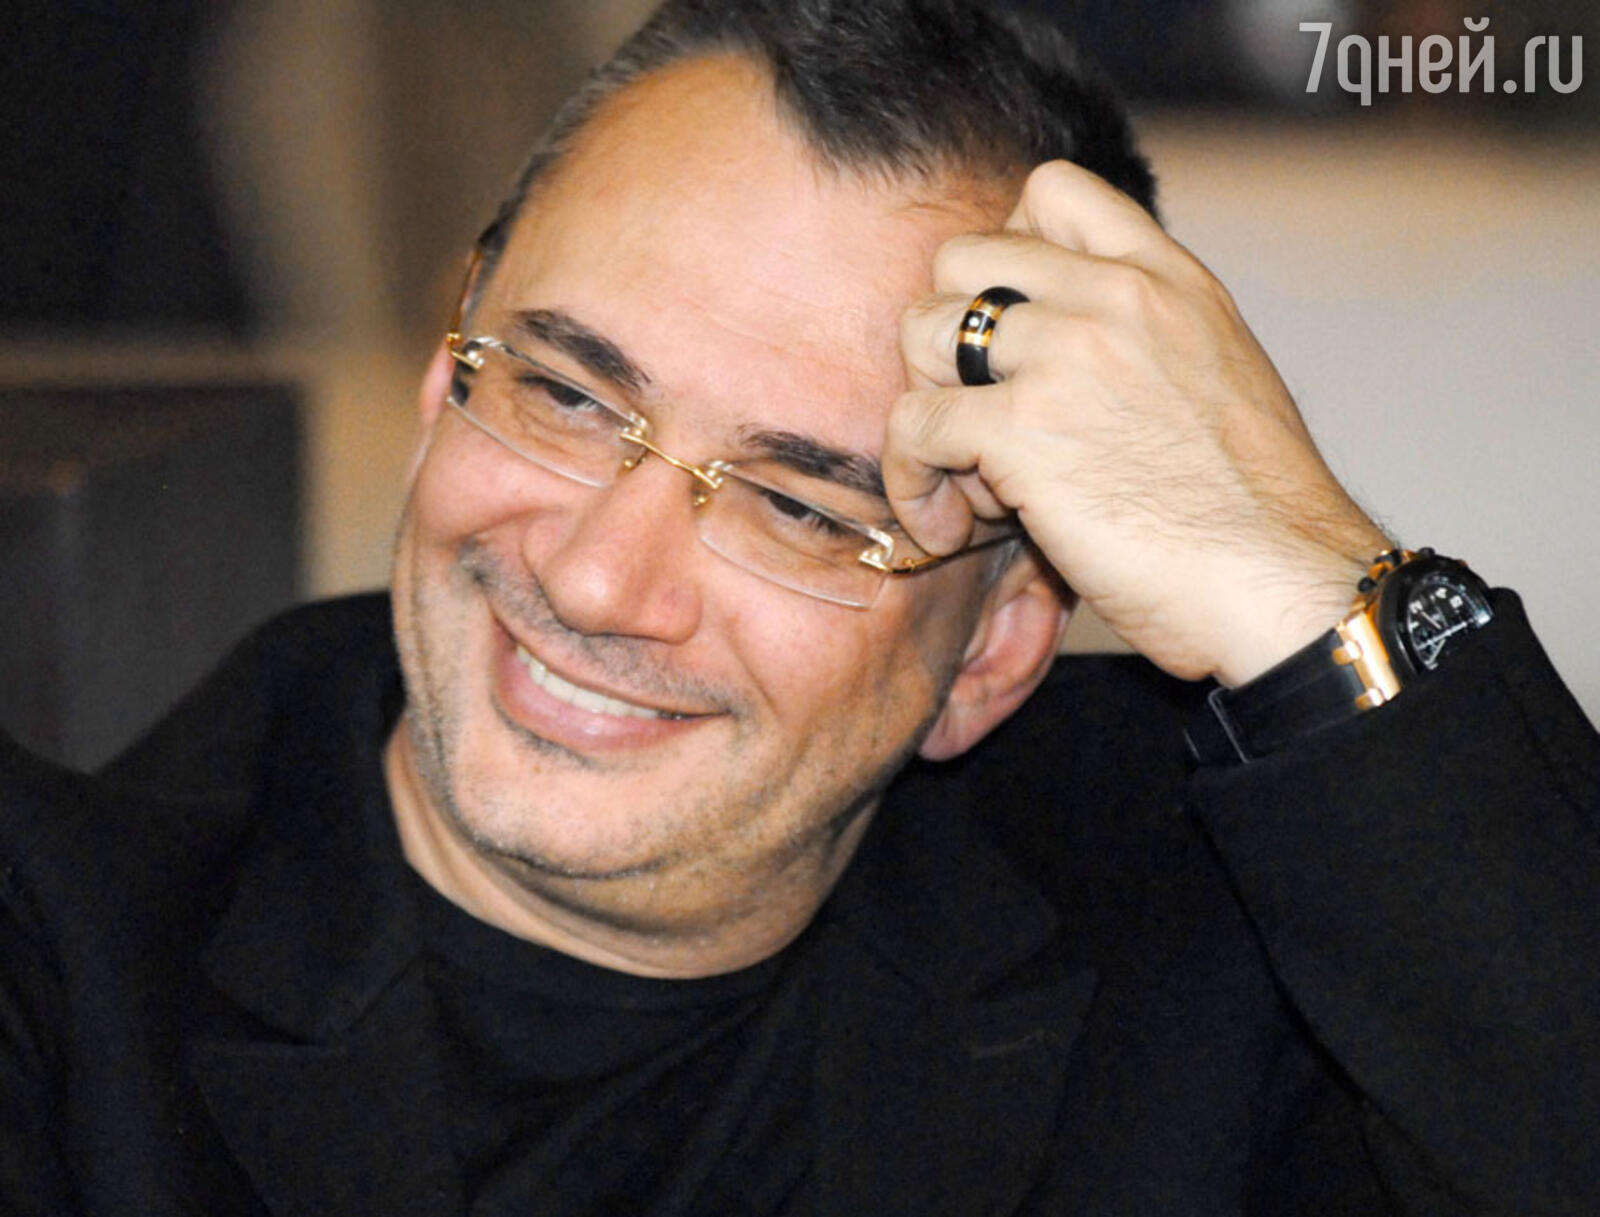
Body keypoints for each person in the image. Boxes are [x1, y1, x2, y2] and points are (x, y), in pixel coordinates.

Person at [3, 1, 1596, 1213]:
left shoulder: (1218, 952)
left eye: (801, 507)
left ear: (992, 652)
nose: (597, 578)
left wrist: (1301, 580)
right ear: (442, 383)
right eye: (564, 394)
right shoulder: (67, 950)